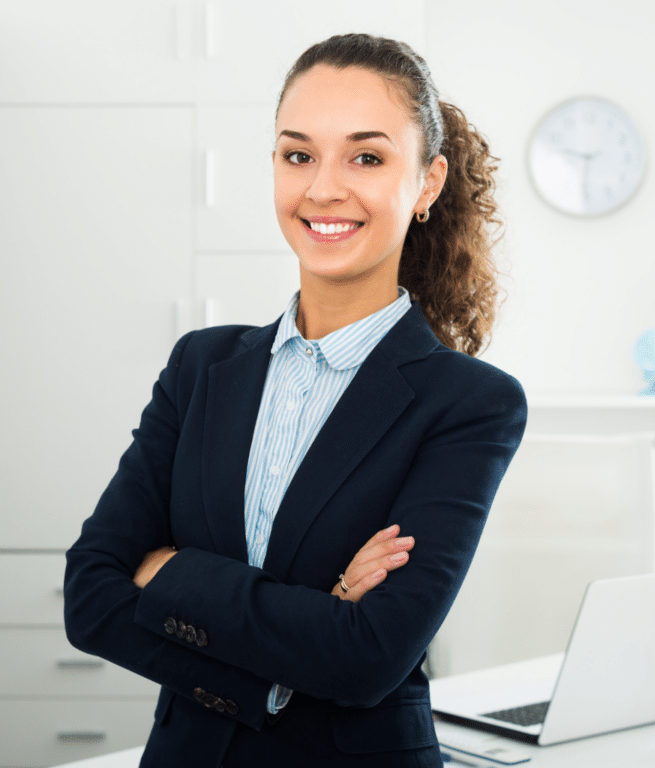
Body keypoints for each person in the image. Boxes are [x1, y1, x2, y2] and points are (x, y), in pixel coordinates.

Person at [64, 32, 527, 768]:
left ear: (429, 183)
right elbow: (89, 597)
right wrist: (308, 628)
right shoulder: (202, 365)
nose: (322, 189)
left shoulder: (469, 404)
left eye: (366, 157)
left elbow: (369, 657)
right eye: (298, 154)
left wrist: (171, 574)